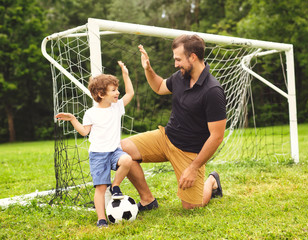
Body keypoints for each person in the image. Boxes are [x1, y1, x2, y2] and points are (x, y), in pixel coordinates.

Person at [121, 34, 227, 210]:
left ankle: (211, 181)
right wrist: (148, 69)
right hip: (165, 138)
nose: (176, 64)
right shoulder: (180, 76)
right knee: (122, 150)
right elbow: (159, 86)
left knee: (192, 206)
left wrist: (194, 168)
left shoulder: (212, 91)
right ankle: (148, 200)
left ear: (192, 56)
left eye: (178, 59)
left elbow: (216, 137)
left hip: (189, 152)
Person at [55, 61, 134, 228]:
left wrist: (125, 74)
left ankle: (116, 186)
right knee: (100, 188)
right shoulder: (91, 113)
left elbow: (130, 93)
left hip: (114, 151)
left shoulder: (116, 107)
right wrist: (73, 119)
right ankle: (101, 219)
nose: (117, 93)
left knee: (127, 160)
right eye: (113, 90)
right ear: (101, 93)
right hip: (98, 155)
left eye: (117, 89)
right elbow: (84, 132)